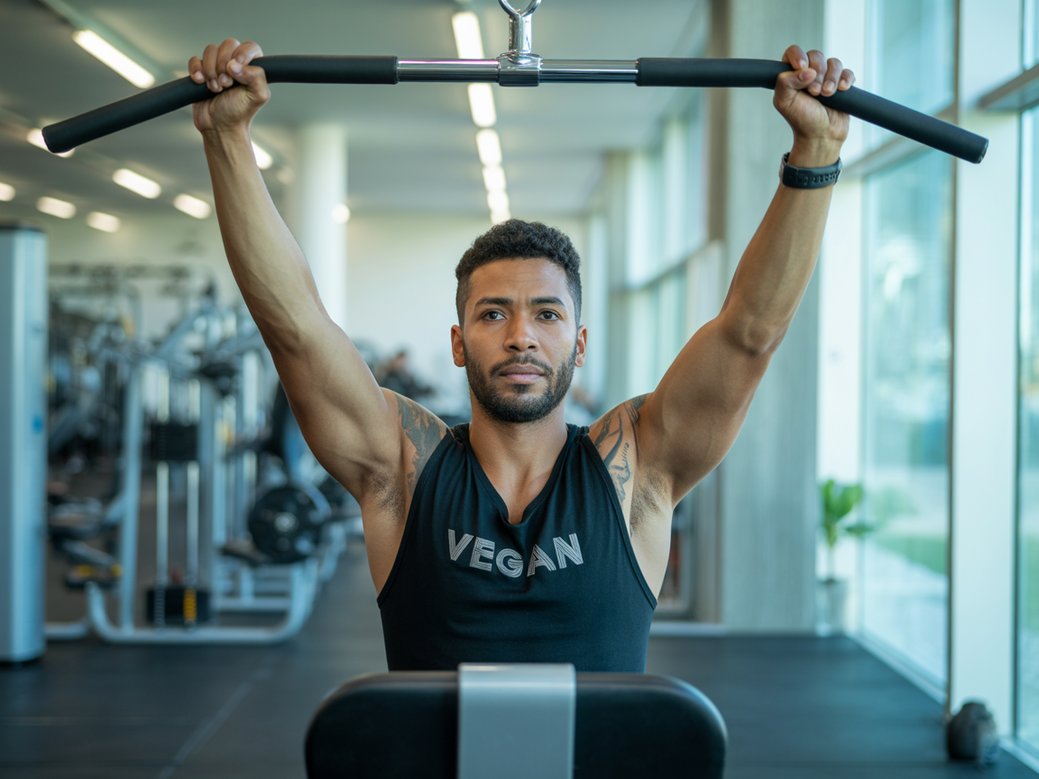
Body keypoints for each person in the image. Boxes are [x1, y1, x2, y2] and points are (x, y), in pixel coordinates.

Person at [188, 39, 854, 672]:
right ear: (457, 342)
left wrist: (816, 150)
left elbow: (750, 333)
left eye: (546, 314)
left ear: (579, 342)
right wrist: (226, 140)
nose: (521, 336)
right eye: (492, 313)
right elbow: (295, 329)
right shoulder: (402, 466)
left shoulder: (636, 469)